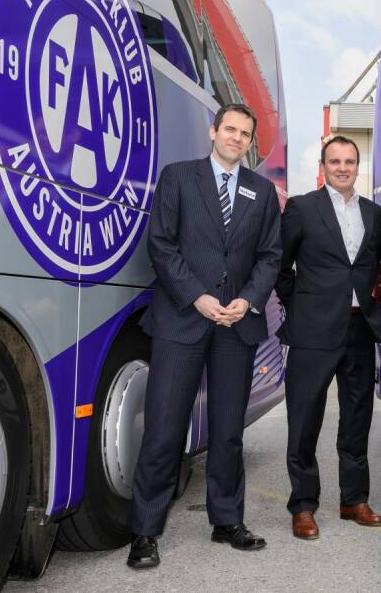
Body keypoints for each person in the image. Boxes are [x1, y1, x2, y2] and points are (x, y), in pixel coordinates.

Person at [128, 103, 282, 568]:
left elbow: (270, 256)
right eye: (229, 129)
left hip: (237, 324)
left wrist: (249, 299)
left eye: (244, 133)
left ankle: (227, 520)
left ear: (251, 142)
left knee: (229, 429)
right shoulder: (178, 178)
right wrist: (197, 297)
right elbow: (162, 244)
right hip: (183, 319)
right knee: (163, 428)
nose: (236, 138)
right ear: (212, 131)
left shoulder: (261, 191)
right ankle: (145, 532)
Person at [277, 135, 381, 540]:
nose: (343, 167)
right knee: (305, 418)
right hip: (312, 330)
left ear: (359, 166)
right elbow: (280, 265)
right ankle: (303, 505)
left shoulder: (375, 214)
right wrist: (300, 306)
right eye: (335, 161)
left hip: (360, 329)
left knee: (357, 419)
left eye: (350, 161)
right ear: (323, 166)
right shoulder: (302, 208)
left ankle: (353, 499)